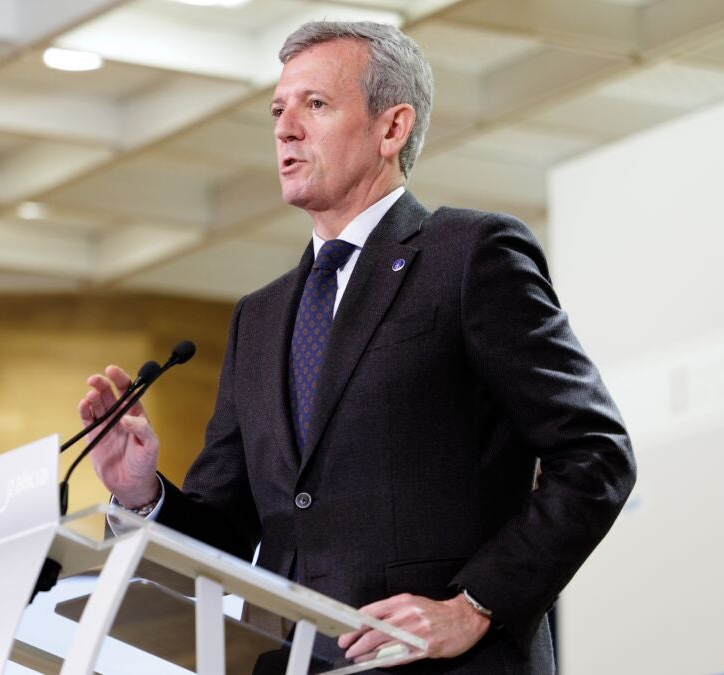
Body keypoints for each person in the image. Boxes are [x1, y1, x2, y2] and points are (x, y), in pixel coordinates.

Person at [78, 20, 635, 674]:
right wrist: (141, 495)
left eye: (315, 104)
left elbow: (596, 453)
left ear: (391, 128)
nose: (286, 129)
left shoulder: (468, 256)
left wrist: (475, 603)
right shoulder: (258, 318)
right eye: (278, 111)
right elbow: (225, 534)